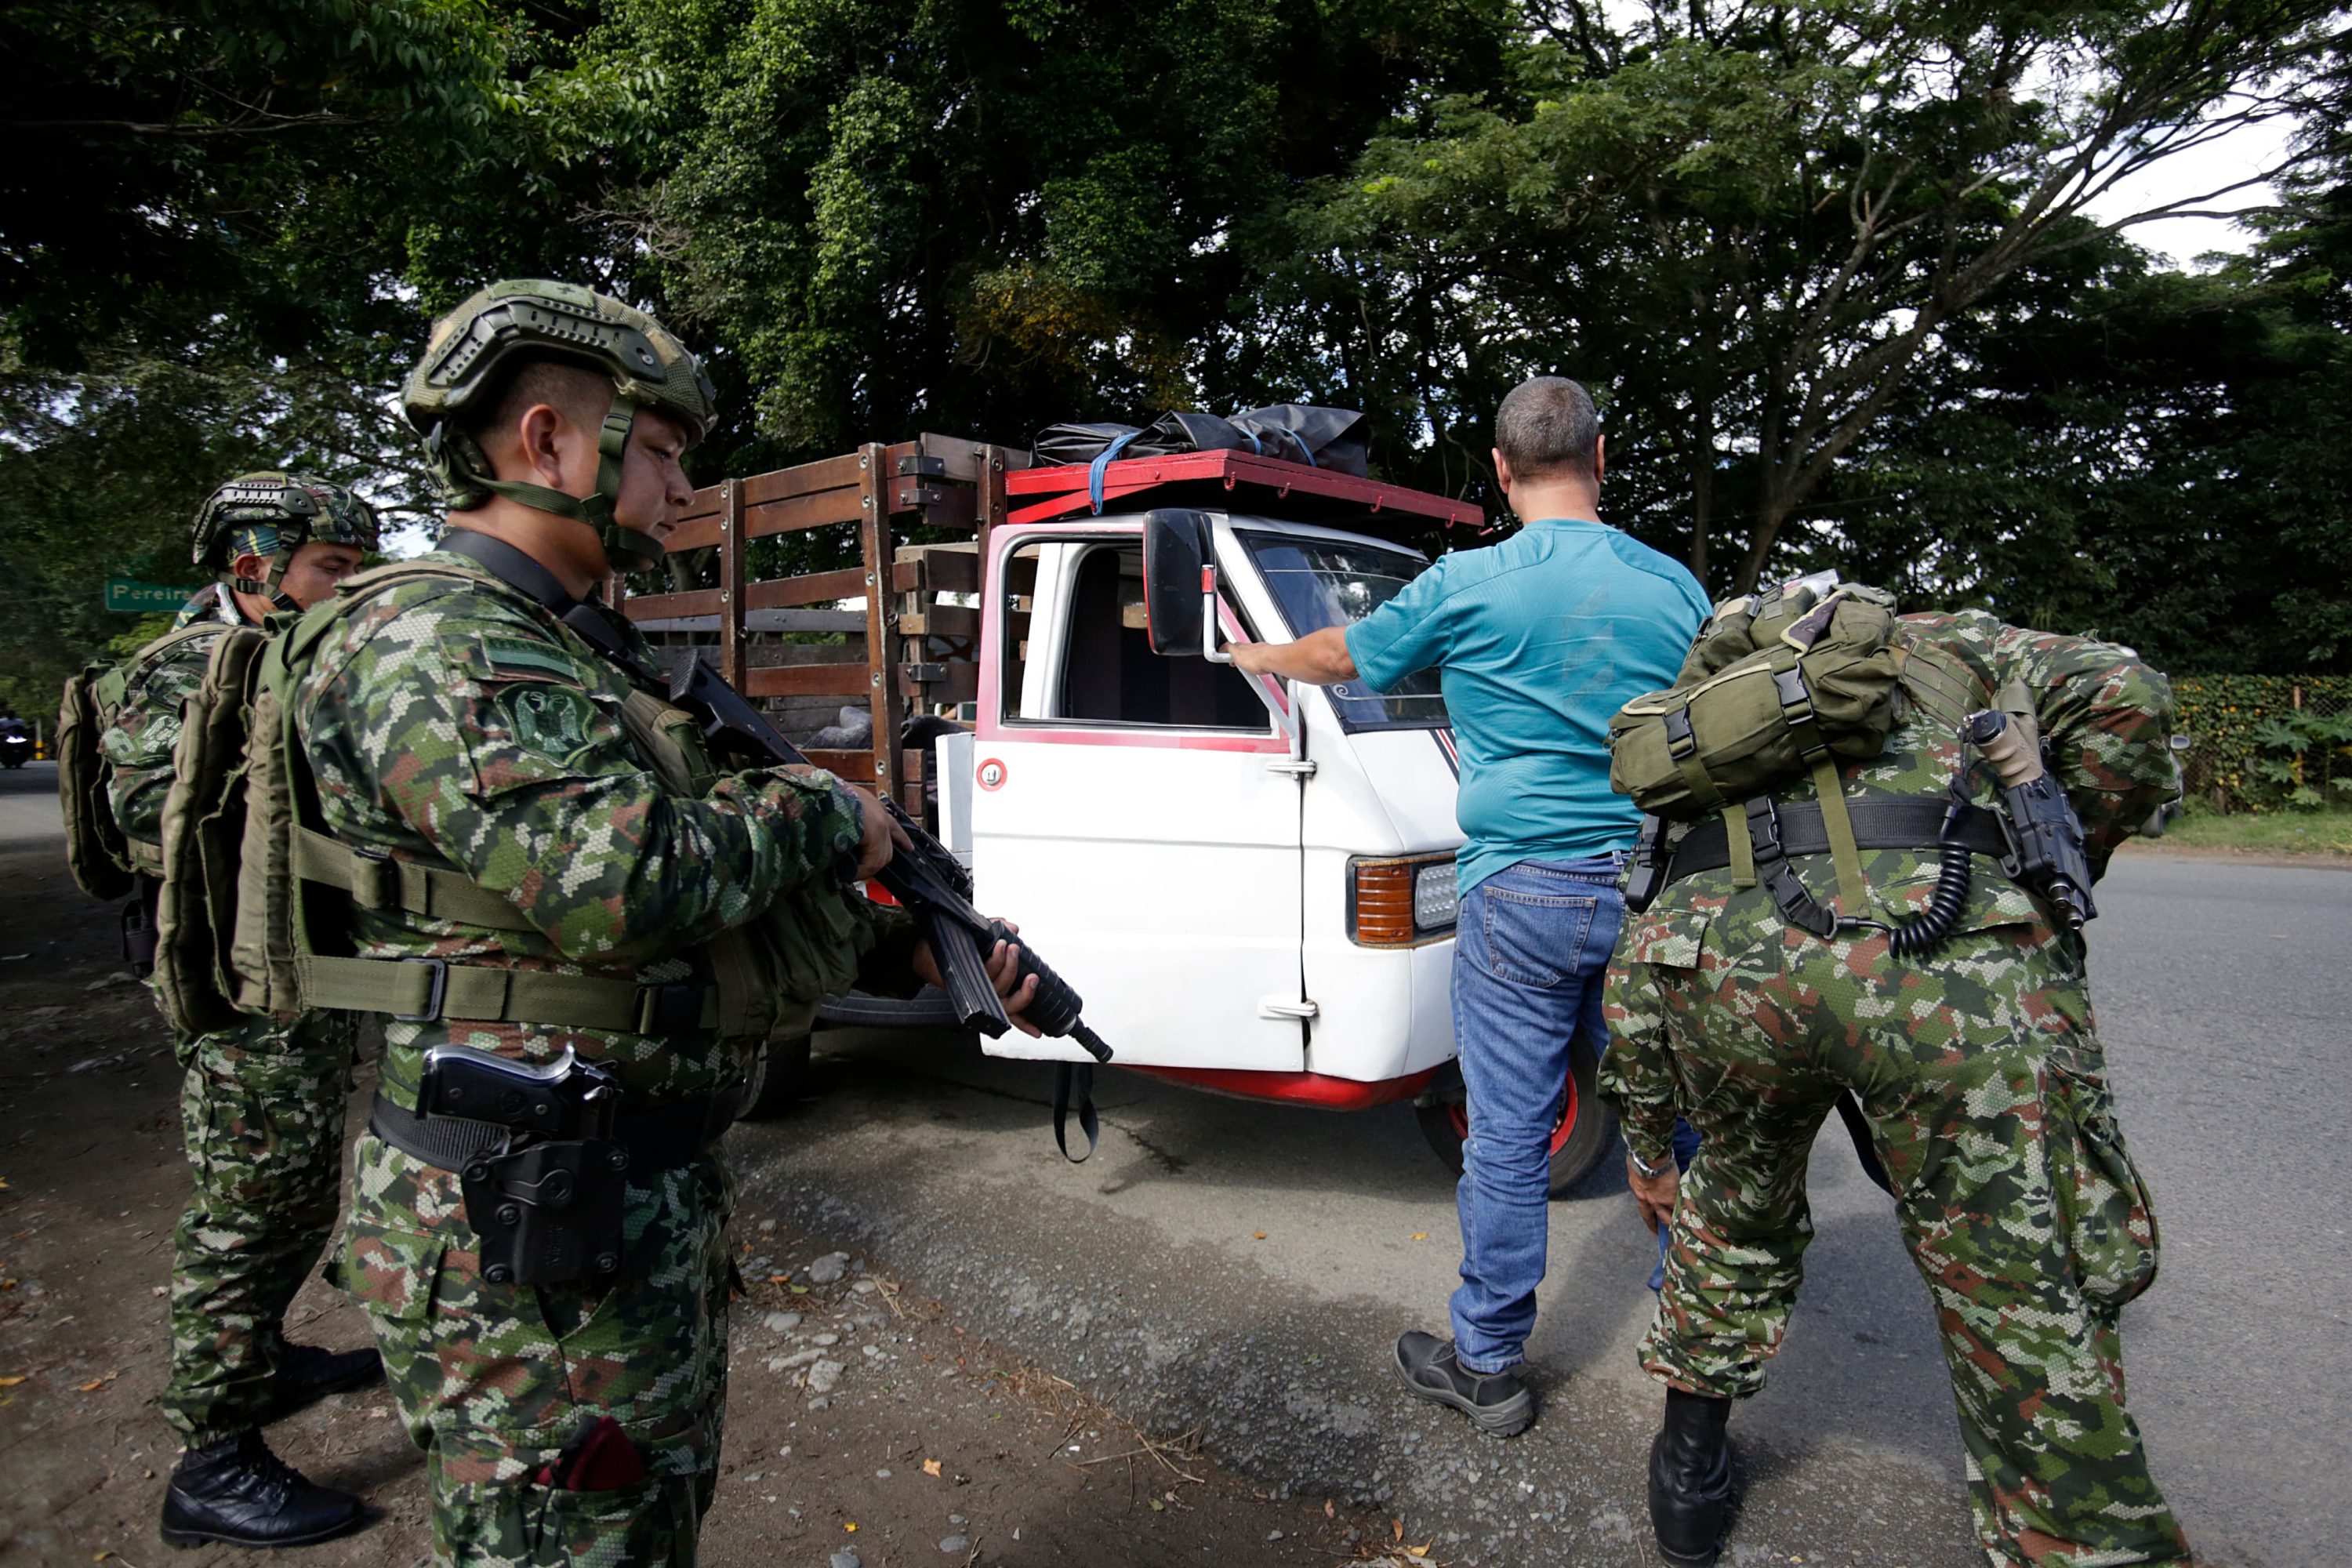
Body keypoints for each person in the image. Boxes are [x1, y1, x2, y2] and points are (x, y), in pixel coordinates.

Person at [285, 278, 1037, 1565]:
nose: (682, 489)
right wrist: (822, 817)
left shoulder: (574, 650)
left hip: (612, 1206)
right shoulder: (437, 642)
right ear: (547, 442)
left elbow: (676, 912)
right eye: (663, 454)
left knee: (634, 1534)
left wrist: (900, 946)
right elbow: (609, 884)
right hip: (525, 1231)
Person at [1601, 595, 2189, 1567]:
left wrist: (1653, 1150)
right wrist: (2055, 849)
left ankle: (1686, 1487)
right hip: (1950, 966)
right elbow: (2127, 693)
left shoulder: (1719, 695)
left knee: (1732, 1213)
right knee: (2012, 1267)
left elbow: (1645, 932)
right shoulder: (1959, 639)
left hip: (1720, 967)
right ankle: (2078, 1539)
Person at [1231, 376, 1709, 1436]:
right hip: (1650, 888)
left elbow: (1343, 656)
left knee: (1507, 1130)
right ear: (1601, 452)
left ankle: (1488, 1361)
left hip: (1520, 891)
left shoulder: (1469, 581)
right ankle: (1698, 1328)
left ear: (1499, 469)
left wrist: (1258, 654)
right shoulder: (1673, 587)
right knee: (1674, 1113)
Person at [94, 474, 381, 1547]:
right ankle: (211, 1462)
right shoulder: (182, 673)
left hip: (297, 979)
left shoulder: (281, 662)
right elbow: (153, 822)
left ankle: (263, 1362)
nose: (351, 591)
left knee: (299, 1195)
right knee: (247, 1212)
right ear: (256, 569)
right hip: (240, 992)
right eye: (334, 570)